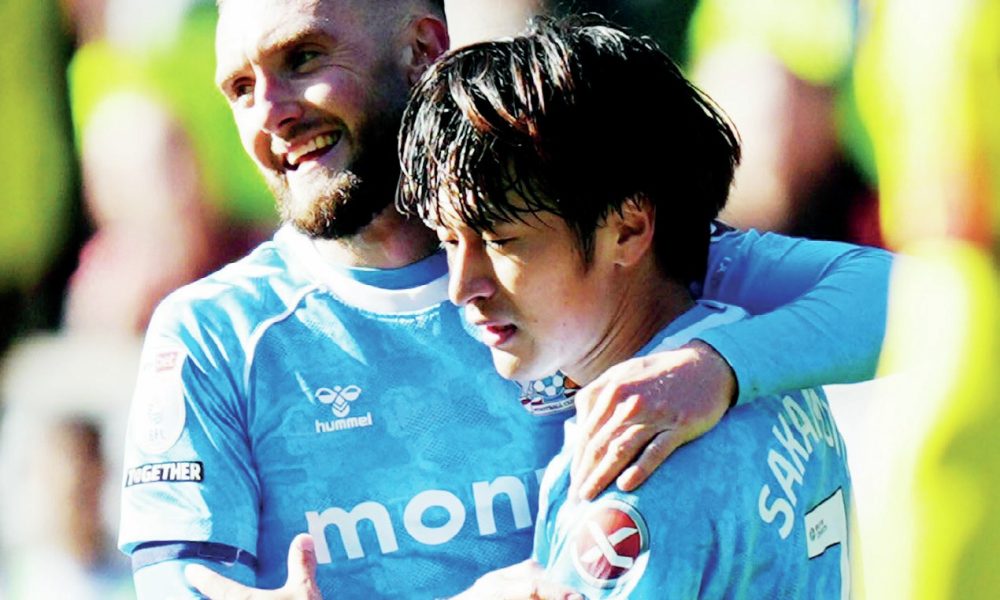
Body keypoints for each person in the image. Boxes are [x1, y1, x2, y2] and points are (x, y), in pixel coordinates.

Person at [121, 0, 889, 598]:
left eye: (304, 58)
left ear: (422, 48)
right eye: (239, 87)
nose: (269, 113)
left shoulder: (605, 258)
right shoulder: (215, 338)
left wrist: (719, 365)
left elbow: (909, 301)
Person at [394, 15, 851, 597]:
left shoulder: (632, 466)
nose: (462, 287)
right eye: (449, 241)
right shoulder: (756, 357)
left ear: (629, 230)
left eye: (501, 240)